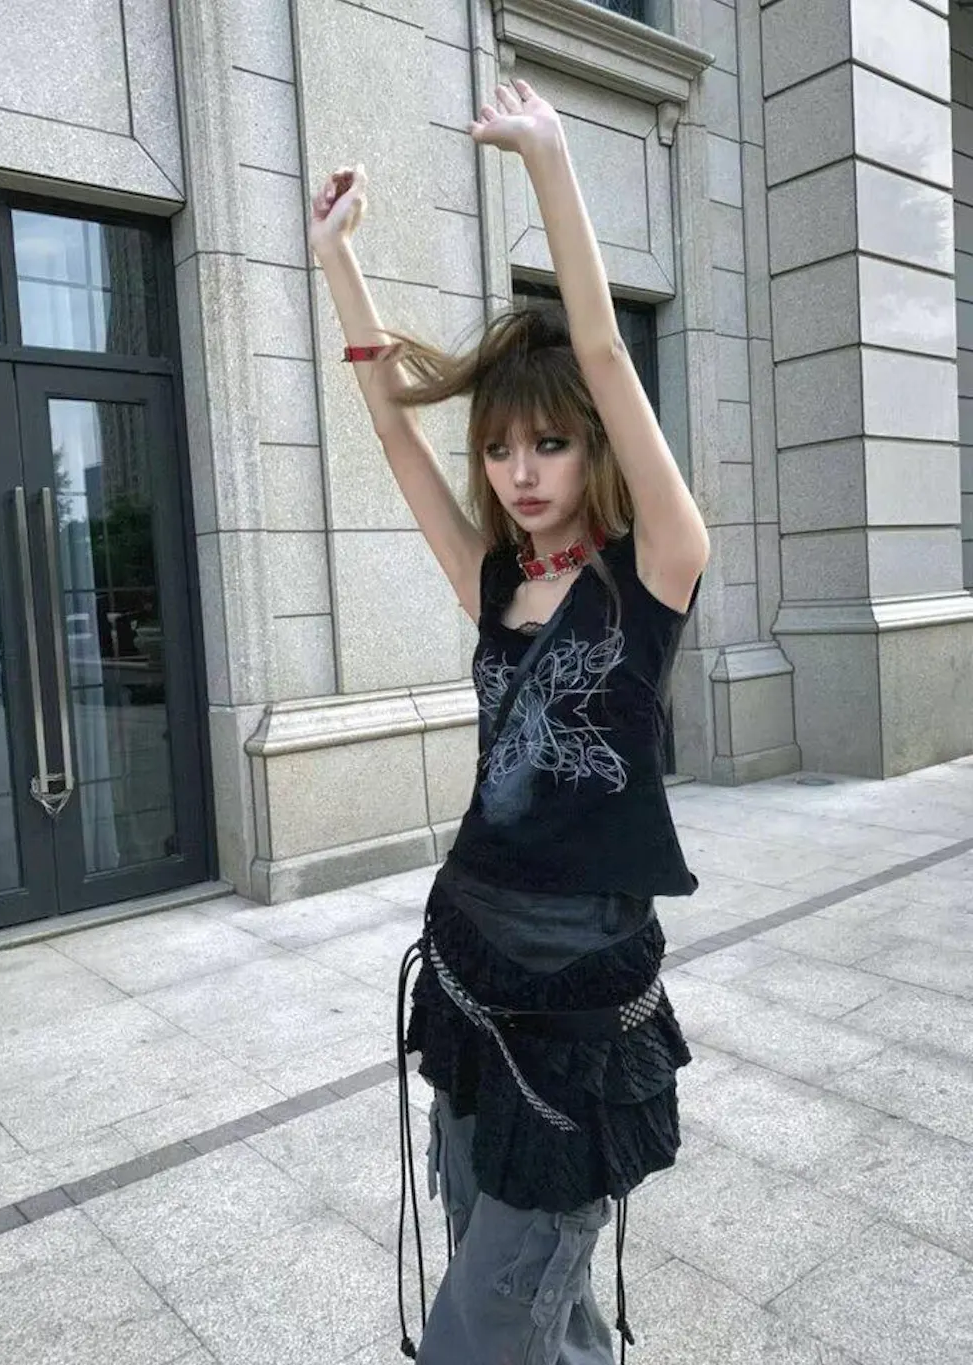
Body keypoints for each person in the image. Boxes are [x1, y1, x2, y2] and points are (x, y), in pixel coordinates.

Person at [309, 79, 709, 1365]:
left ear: (593, 447)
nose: (519, 473)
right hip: (470, 960)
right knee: (513, 1272)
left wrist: (550, 166)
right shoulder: (497, 583)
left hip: (581, 995)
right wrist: (338, 264)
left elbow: (603, 354)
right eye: (496, 450)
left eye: (546, 445)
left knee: (490, 1313)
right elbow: (393, 439)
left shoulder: (655, 572)